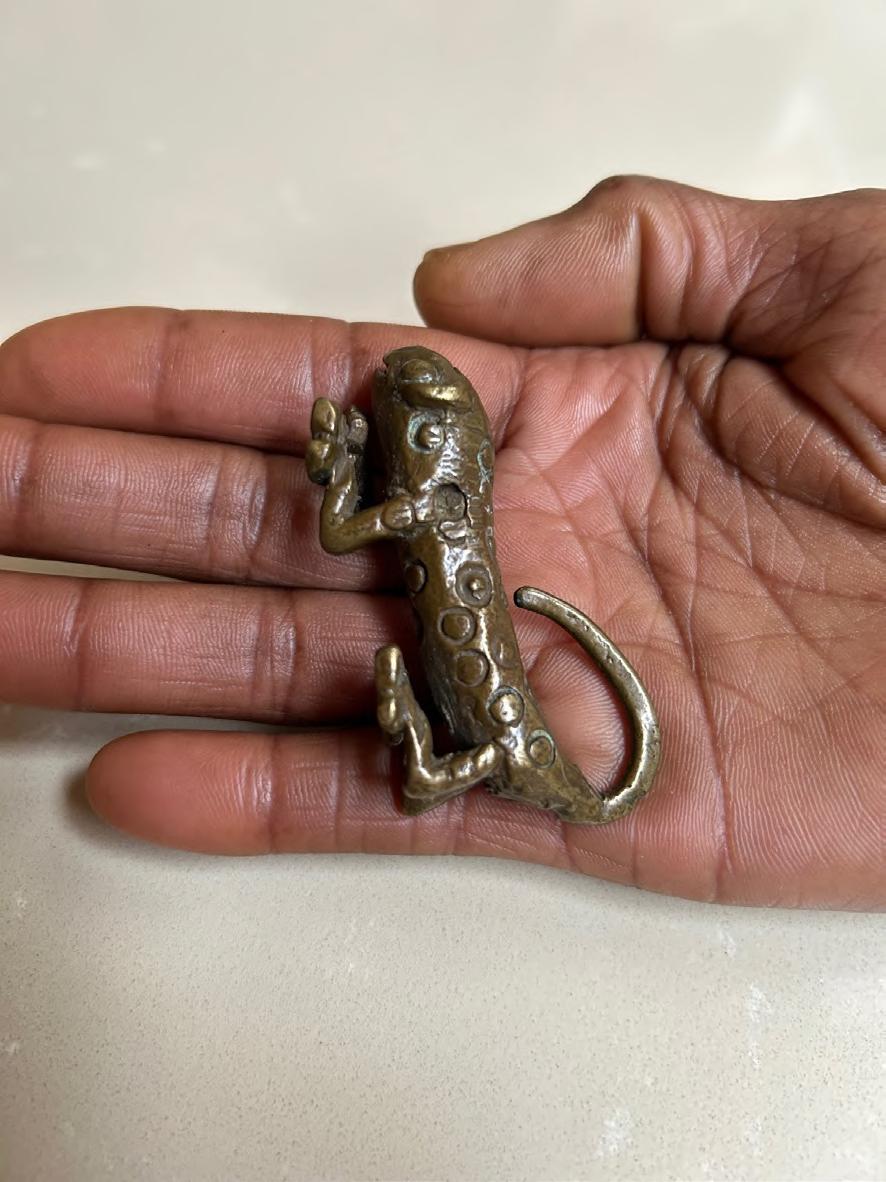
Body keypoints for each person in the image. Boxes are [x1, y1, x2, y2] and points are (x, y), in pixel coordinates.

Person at [0, 176, 882, 909]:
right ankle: (440, 761)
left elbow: (339, 532)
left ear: (457, 465)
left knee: (495, 728)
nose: (403, 424)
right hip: (486, 687)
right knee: (491, 714)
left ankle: (431, 771)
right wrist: (348, 463)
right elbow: (344, 528)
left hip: (502, 725)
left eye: (421, 434)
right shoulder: (435, 509)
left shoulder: (432, 509)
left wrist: (346, 470)